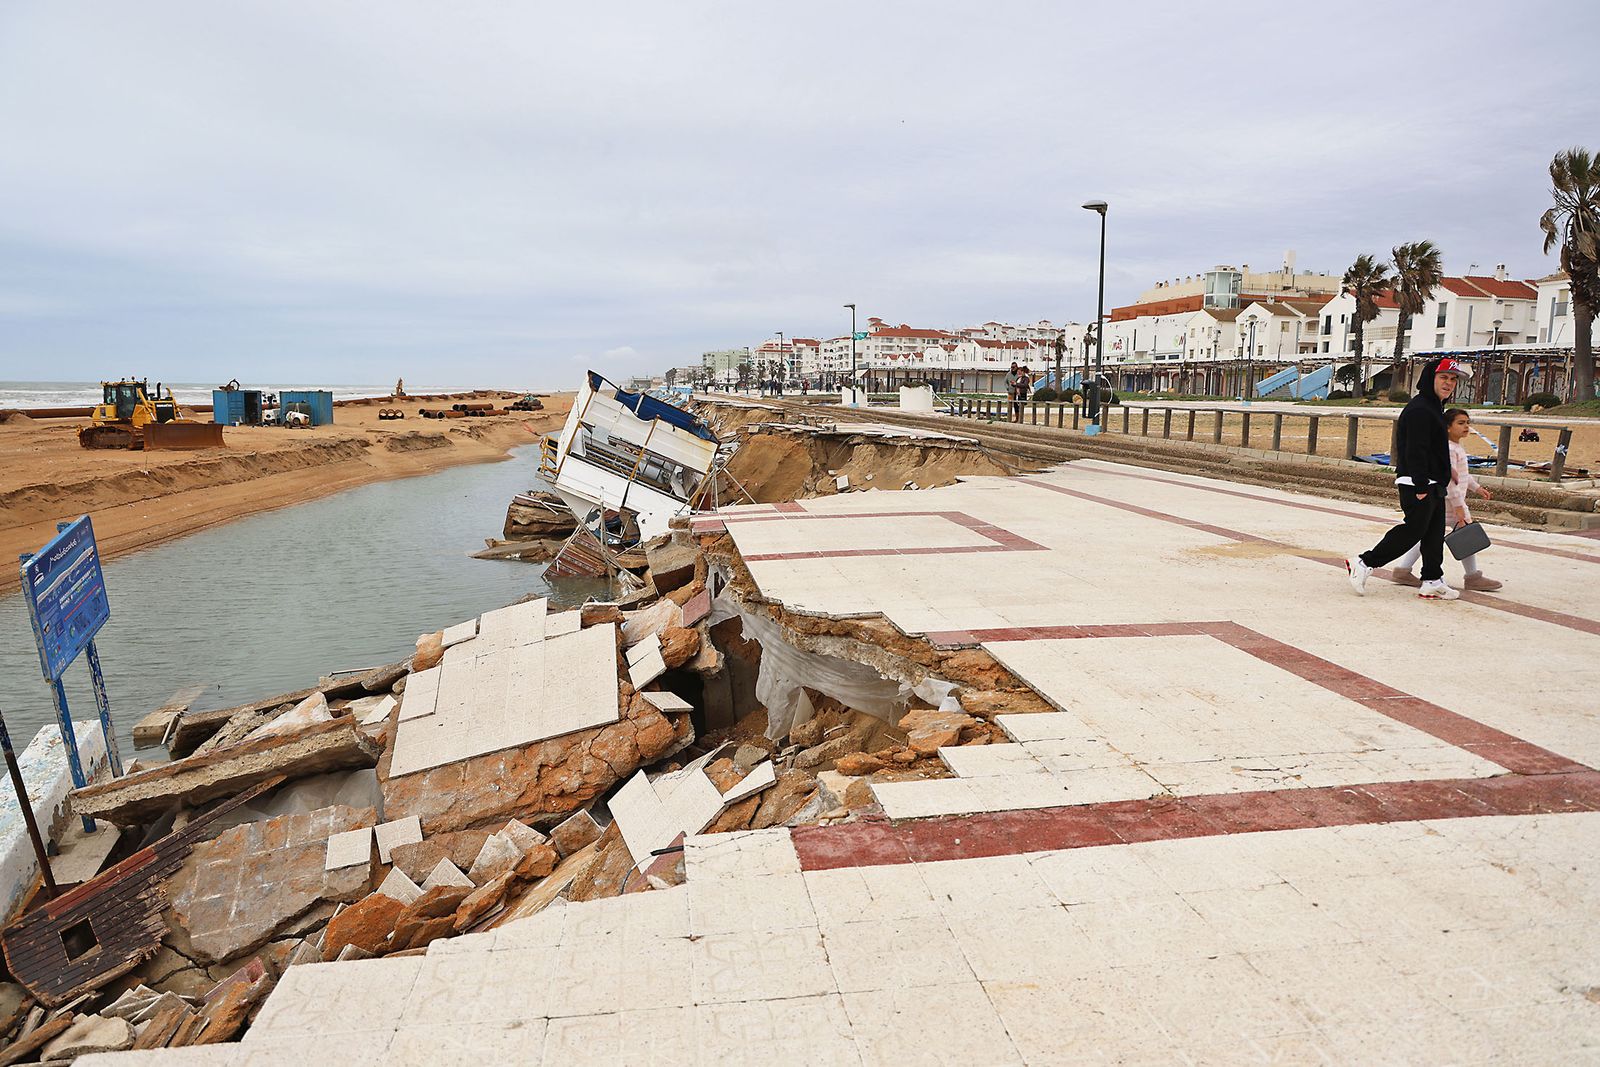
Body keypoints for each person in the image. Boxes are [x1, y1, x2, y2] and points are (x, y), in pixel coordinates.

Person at [1346, 357, 1466, 600]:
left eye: (1453, 379)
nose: (1449, 383)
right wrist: (1421, 484)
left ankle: (1432, 579)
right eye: (1443, 377)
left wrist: (1444, 472)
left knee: (1433, 534)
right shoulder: (1421, 409)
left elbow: (1433, 448)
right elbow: (1415, 449)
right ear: (1430, 378)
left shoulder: (1434, 407)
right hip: (1417, 483)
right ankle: (1364, 562)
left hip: (1432, 482)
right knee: (1412, 531)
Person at [1390, 407, 1503, 591]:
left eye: (1467, 423)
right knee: (1465, 536)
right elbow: (1449, 481)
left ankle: (1403, 569)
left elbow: (1463, 475)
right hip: (1450, 502)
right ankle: (1472, 576)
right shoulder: (1449, 449)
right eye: (1460, 423)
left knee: (1430, 536)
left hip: (1450, 502)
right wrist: (1459, 506)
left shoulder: (1456, 447)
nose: (1466, 427)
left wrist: (1477, 488)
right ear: (1447, 427)